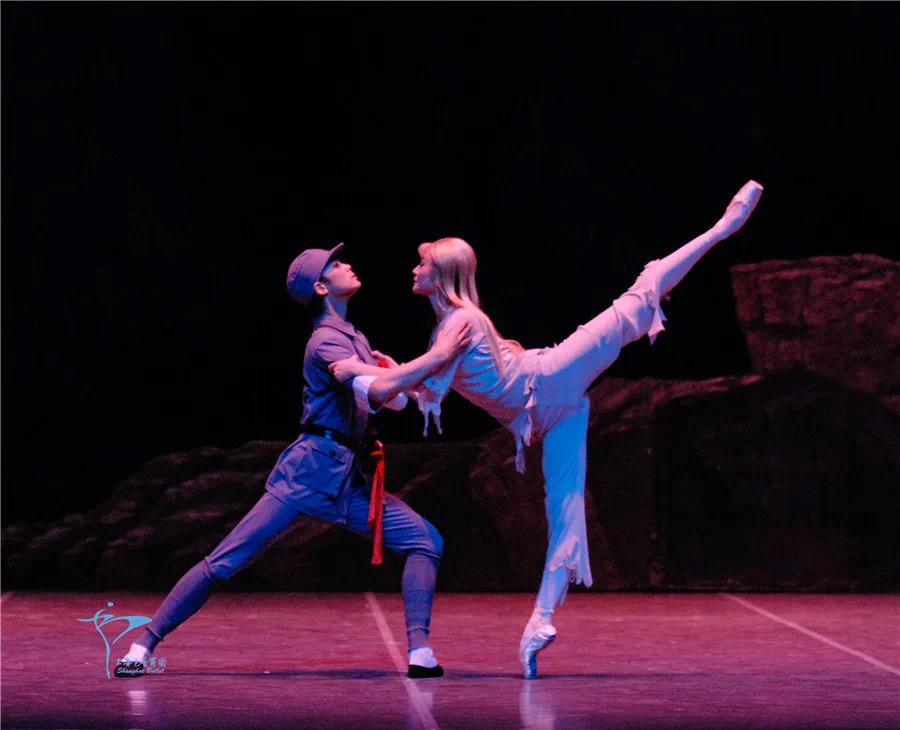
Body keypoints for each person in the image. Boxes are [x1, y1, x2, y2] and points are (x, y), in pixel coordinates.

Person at [330, 180, 764, 679]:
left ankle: (722, 227)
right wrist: (392, 374)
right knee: (565, 510)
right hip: (549, 412)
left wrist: (364, 373)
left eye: (422, 263)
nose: (414, 269)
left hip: (549, 377)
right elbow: (419, 390)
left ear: (442, 272)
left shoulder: (460, 321)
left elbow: (419, 375)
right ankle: (540, 621)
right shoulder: (447, 326)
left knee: (637, 297)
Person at [115, 242, 471, 679]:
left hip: (348, 480)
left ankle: (420, 652)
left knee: (425, 541)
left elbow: (384, 398)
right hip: (307, 475)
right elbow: (376, 389)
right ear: (321, 287)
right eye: (336, 264)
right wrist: (432, 360)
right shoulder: (325, 341)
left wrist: (394, 376)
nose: (347, 264)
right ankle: (143, 645)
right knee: (225, 561)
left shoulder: (355, 338)